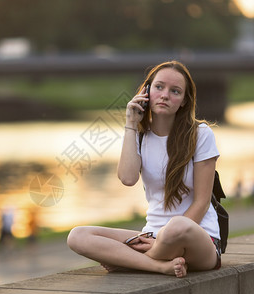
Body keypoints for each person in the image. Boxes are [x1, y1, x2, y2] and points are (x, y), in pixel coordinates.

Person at [67, 61, 221, 278]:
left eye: (175, 91)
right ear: (146, 91)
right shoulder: (140, 136)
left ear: (184, 101)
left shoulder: (201, 134)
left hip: (197, 238)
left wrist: (161, 239)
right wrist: (131, 123)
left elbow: (202, 202)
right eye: (159, 87)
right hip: (152, 236)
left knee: (177, 226)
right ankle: (160, 266)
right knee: (78, 235)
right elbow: (128, 178)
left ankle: (131, 261)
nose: (165, 95)